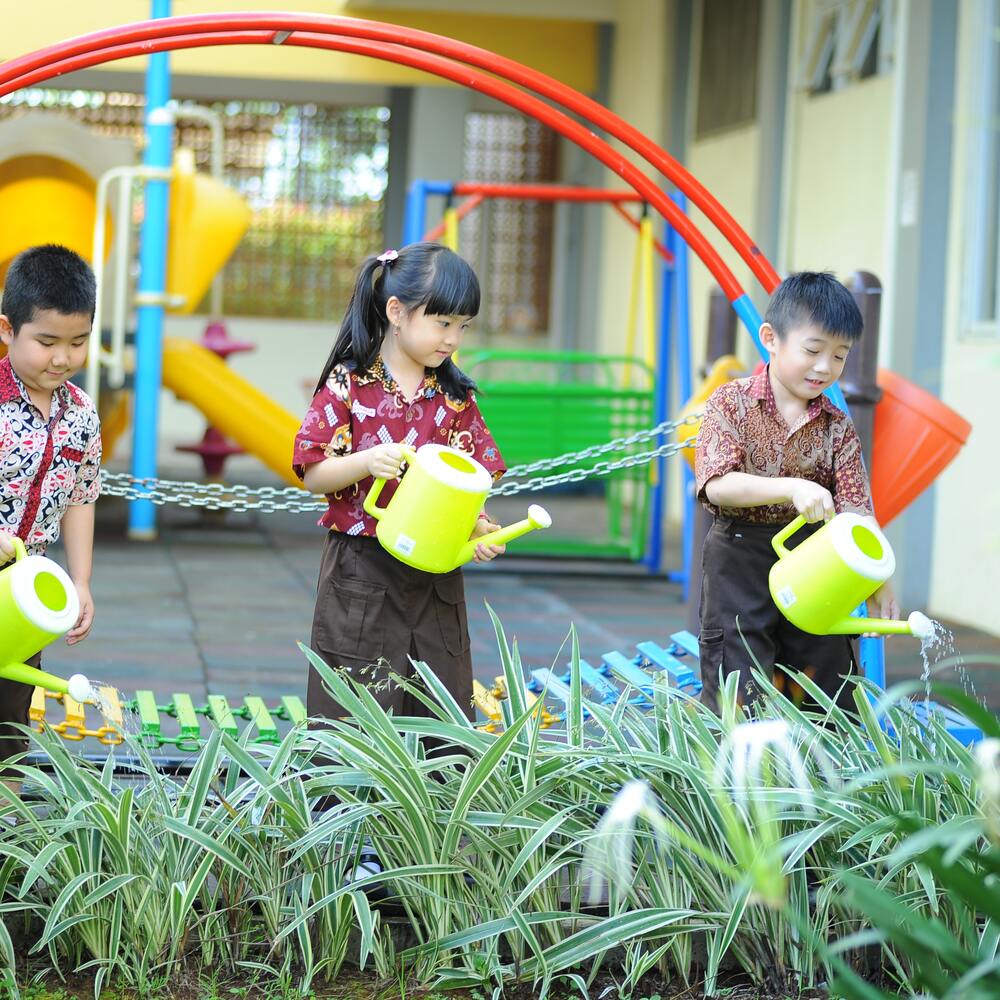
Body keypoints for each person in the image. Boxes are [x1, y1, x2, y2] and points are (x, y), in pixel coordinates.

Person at [293, 243, 506, 724]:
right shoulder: (348, 385)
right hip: (362, 568)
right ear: (396, 312)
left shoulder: (455, 398)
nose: (453, 339)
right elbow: (313, 473)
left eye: (462, 327)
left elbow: (469, 484)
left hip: (435, 571)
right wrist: (367, 461)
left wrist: (479, 527)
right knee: (352, 708)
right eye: (443, 322)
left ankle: (437, 800)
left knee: (443, 707)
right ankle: (344, 803)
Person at [695, 271, 898, 710]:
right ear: (771, 338)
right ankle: (735, 770)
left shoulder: (837, 426)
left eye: (840, 356)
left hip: (816, 558)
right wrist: (791, 488)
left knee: (827, 670)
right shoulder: (731, 403)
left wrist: (878, 577)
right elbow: (717, 484)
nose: (825, 366)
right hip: (739, 553)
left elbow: (857, 508)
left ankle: (825, 769)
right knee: (738, 667)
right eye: (813, 350)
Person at [0, 244, 101, 793]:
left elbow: (82, 496)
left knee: (11, 717)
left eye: (77, 342)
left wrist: (81, 580)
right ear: (7, 330)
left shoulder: (81, 413)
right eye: (46, 342)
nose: (62, 358)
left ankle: (8, 844)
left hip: (26, 591)